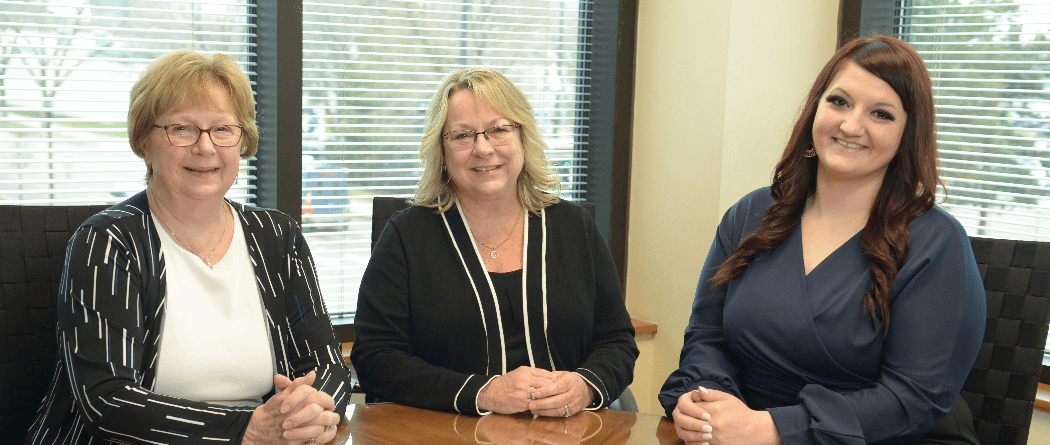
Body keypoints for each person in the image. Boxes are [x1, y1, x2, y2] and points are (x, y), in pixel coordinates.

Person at [659, 36, 985, 445]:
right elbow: (708, 337)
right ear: (816, 106)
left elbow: (914, 399)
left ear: (908, 133)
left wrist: (774, 430)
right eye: (839, 102)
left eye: (881, 114)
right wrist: (704, 399)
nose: (851, 125)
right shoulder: (751, 214)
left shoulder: (937, 243)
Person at [25, 49, 351, 445]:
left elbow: (327, 364)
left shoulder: (277, 236)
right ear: (145, 141)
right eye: (182, 129)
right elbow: (106, 400)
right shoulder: (109, 241)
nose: (205, 147)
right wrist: (245, 430)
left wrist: (311, 410)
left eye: (223, 129)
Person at [351, 68, 638, 417]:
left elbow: (616, 341)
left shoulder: (574, 227)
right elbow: (376, 359)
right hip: (445, 434)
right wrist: (484, 393)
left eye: (499, 130)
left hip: (566, 433)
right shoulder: (406, 237)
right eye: (462, 136)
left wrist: (585, 385)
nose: (483, 148)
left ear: (522, 136)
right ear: (441, 150)